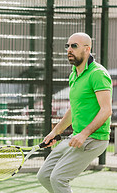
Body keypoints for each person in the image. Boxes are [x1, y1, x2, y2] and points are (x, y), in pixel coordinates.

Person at [37, 32, 112, 193]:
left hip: (94, 139)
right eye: (68, 46)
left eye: (74, 46)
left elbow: (106, 110)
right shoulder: (74, 74)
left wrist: (84, 134)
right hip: (76, 137)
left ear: (87, 49)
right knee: (44, 176)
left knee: (58, 178)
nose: (69, 50)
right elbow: (74, 109)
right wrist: (55, 132)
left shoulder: (97, 74)